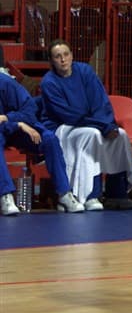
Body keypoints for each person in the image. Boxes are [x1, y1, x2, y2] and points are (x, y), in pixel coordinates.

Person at [40, 40, 132, 211]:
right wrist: (101, 126)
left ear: (71, 55)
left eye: (66, 54)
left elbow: (100, 101)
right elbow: (68, 115)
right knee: (92, 135)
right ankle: (90, 195)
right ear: (51, 61)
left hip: (90, 122)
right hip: (63, 126)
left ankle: (117, 194)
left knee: (120, 135)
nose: (63, 59)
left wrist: (107, 125)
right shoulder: (48, 82)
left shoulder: (85, 71)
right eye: (57, 57)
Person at [0, 72, 84, 215]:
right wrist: (16, 124)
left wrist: (10, 119)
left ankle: (64, 193)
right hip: (9, 128)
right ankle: (5, 195)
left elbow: (29, 111)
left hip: (18, 127)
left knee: (49, 139)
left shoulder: (5, 83)